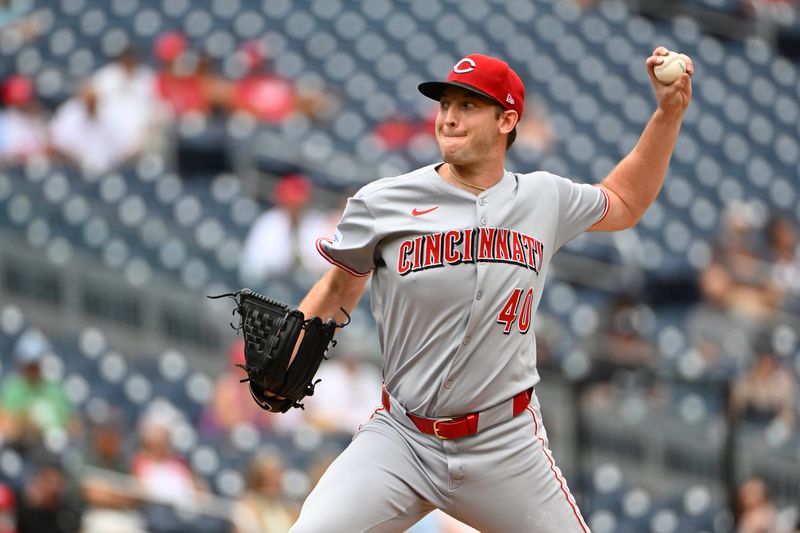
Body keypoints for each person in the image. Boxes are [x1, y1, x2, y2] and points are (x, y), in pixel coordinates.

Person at [285, 49, 692, 532]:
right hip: (402, 438)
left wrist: (669, 113)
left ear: (507, 119)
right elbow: (338, 288)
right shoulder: (383, 202)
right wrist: (289, 350)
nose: (449, 118)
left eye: (468, 106)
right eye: (445, 106)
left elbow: (625, 200)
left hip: (505, 444)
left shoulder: (544, 197)